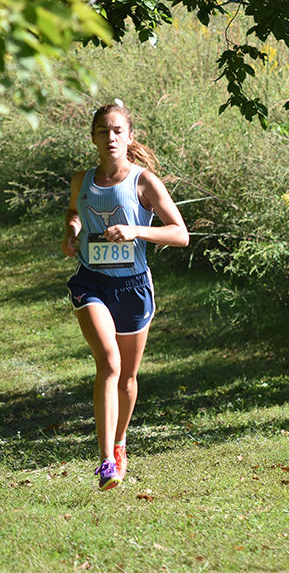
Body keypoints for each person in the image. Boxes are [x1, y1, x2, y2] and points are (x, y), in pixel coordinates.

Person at [61, 103, 189, 491]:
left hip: (133, 288)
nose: (111, 137)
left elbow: (180, 234)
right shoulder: (81, 179)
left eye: (118, 131)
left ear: (129, 137)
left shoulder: (144, 182)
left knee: (128, 378)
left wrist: (137, 231)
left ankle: (119, 444)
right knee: (109, 363)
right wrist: (71, 230)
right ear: (93, 137)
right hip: (92, 283)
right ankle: (104, 463)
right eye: (103, 131)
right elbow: (74, 211)